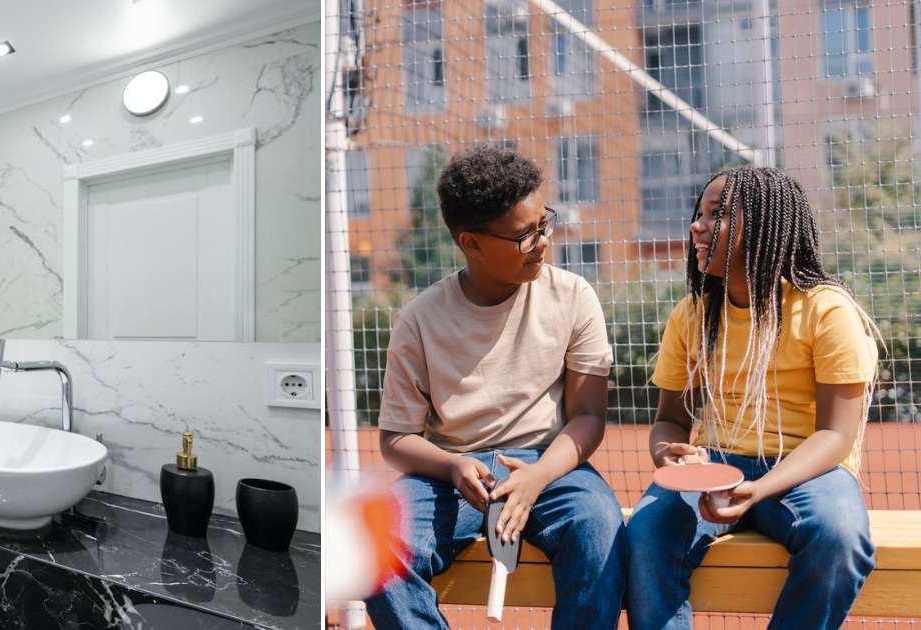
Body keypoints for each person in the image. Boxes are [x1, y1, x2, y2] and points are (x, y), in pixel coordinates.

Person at [365, 145, 625, 629]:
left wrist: (539, 474)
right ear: (472, 243)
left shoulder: (573, 296)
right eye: (524, 235)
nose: (543, 241)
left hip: (550, 463)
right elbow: (396, 440)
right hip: (447, 475)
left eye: (543, 223)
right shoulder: (418, 319)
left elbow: (588, 416)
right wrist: (453, 466)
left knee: (600, 530)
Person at [626, 166, 880, 629]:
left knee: (839, 538)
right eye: (697, 214)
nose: (696, 227)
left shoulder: (826, 309)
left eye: (715, 215)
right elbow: (670, 422)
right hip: (718, 462)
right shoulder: (694, 314)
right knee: (644, 535)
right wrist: (670, 457)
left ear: (765, 225)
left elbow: (836, 435)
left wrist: (760, 488)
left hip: (808, 468)